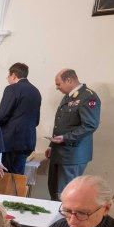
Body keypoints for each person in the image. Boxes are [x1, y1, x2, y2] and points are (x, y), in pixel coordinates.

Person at [45, 69, 101, 200]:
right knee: (54, 192)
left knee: (65, 196)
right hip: (59, 152)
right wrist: (52, 145)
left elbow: (90, 125)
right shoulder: (68, 96)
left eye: (58, 84)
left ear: (69, 80)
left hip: (72, 155)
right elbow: (61, 124)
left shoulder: (88, 97)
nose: (57, 88)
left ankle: (65, 215)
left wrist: (66, 138)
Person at [0, 62, 41, 175]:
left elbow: (2, 115)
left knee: (5, 178)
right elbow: (36, 120)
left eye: (8, 76)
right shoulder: (35, 91)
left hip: (11, 141)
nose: (8, 79)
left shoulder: (12, 89)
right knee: (17, 177)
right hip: (27, 141)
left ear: (13, 75)